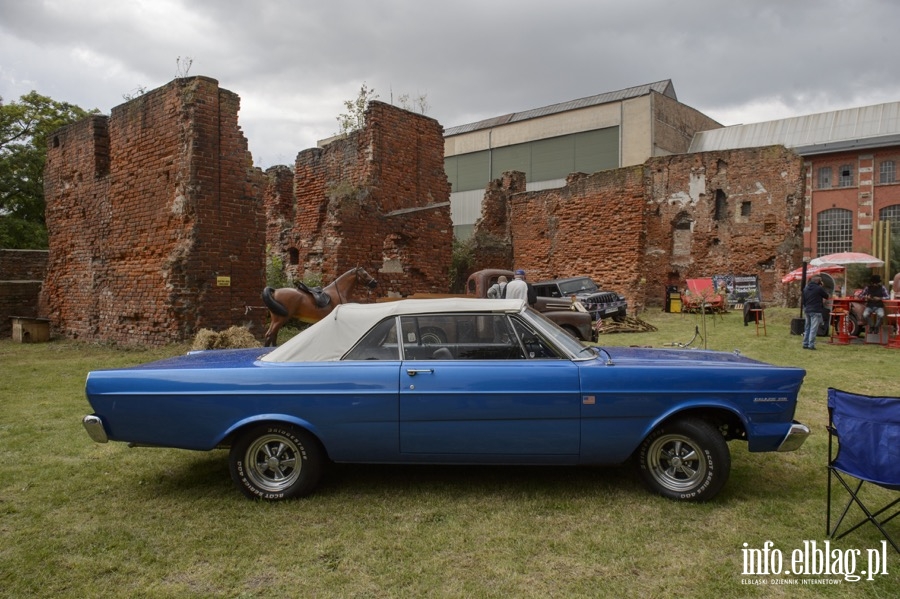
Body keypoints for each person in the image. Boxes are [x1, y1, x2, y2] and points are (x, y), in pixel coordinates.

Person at [801, 275, 829, 350]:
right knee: (813, 328)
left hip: (807, 309)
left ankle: (805, 343)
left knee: (807, 327)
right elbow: (826, 296)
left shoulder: (806, 288)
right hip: (816, 310)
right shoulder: (819, 288)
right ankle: (811, 345)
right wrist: (822, 287)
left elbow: (803, 300)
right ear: (819, 282)